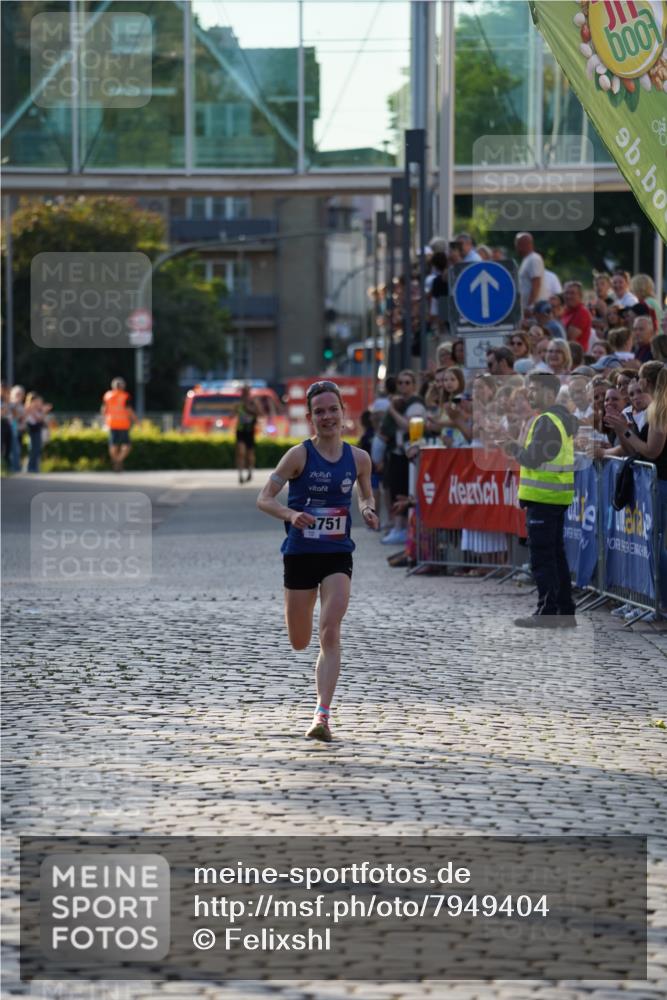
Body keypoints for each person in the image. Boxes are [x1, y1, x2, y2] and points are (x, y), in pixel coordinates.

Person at [256, 380, 379, 742]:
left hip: (338, 553)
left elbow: (366, 497)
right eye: (320, 412)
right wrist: (291, 515)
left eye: (333, 410)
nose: (327, 417)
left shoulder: (359, 459)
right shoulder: (298, 455)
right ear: (310, 418)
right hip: (300, 554)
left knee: (330, 629)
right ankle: (318, 703)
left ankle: (321, 715)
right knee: (299, 640)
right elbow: (264, 499)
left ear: (344, 412)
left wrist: (369, 510)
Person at [503, 372, 577, 628]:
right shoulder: (559, 419)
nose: (529, 394)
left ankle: (547, 612)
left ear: (549, 392)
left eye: (534, 389)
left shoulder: (547, 420)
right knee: (556, 557)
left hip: (544, 499)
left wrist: (513, 448)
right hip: (555, 497)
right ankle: (565, 612)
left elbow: (532, 458)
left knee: (544, 559)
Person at [101, 377, 136, 472]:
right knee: (127, 445)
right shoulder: (125, 396)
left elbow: (104, 410)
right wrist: (136, 421)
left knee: (113, 444)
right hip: (123, 423)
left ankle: (115, 461)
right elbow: (129, 410)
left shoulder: (107, 395)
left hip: (111, 423)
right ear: (122, 386)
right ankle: (119, 460)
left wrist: (104, 421)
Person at [515, 232, 546, 315]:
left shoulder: (534, 259)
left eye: (518, 244)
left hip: (533, 311)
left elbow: (536, 283)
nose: (516, 247)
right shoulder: (526, 260)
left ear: (524, 244)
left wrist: (530, 306)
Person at [235, 385, 259, 484]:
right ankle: (240, 475)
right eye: (243, 392)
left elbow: (260, 413)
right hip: (240, 431)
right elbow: (232, 414)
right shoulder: (238, 404)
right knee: (241, 453)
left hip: (250, 431)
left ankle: (250, 472)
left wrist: (249, 410)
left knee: (250, 455)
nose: (244, 394)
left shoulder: (254, 403)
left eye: (246, 392)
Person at [24, 392, 52, 473]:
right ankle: (30, 467)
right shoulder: (29, 408)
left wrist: (43, 411)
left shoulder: (37, 409)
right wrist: (43, 411)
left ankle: (34, 467)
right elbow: (38, 419)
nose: (38, 403)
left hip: (37, 429)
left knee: (37, 449)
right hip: (32, 430)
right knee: (33, 449)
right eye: (36, 401)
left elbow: (42, 420)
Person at [561, 281, 593, 352]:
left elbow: (568, 337)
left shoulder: (582, 312)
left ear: (580, 295)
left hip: (575, 355)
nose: (568, 296)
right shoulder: (564, 310)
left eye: (572, 293)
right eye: (566, 293)